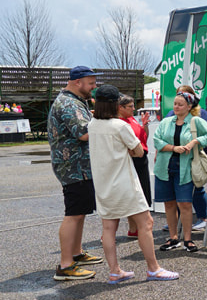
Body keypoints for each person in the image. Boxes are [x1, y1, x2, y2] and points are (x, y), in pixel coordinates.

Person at [88, 85, 179, 282]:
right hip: (124, 182)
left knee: (109, 228)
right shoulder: (120, 126)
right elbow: (139, 151)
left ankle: (114, 271)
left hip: (103, 184)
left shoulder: (92, 125)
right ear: (115, 104)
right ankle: (153, 268)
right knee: (145, 223)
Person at [48, 65, 105, 280]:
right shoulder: (69, 103)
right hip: (73, 167)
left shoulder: (74, 101)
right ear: (77, 82)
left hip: (79, 166)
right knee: (73, 214)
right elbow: (83, 133)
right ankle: (65, 266)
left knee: (80, 212)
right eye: (91, 83)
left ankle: (76, 253)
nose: (94, 87)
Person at [153, 91, 207, 253]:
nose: (176, 107)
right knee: (169, 203)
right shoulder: (166, 122)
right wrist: (174, 148)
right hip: (165, 166)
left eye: (180, 104)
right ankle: (174, 238)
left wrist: (195, 141)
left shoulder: (196, 121)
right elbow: (156, 140)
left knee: (185, 203)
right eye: (175, 103)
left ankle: (188, 239)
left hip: (185, 167)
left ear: (189, 107)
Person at [164, 84, 207, 231]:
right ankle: (177, 221)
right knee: (176, 191)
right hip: (174, 158)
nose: (180, 98)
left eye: (184, 95)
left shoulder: (201, 114)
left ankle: (202, 218)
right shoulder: (171, 114)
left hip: (195, 156)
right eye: (178, 95)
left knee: (196, 187)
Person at [118, 94, 152, 238]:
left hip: (141, 157)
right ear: (121, 108)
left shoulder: (131, 119)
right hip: (131, 159)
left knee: (142, 192)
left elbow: (143, 138)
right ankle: (134, 227)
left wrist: (144, 126)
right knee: (131, 195)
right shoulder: (119, 122)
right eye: (130, 106)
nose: (134, 109)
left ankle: (134, 229)